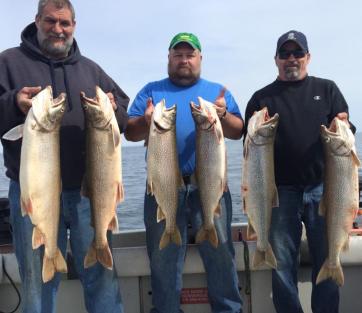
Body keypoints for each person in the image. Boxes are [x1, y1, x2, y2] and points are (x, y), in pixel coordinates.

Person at [0, 1, 129, 312]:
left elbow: (122, 114)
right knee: (39, 281)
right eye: (51, 22)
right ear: (37, 21)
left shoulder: (90, 69)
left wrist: (114, 108)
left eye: (65, 23)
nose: (58, 29)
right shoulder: (8, 62)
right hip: (34, 193)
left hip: (90, 192)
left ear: (74, 25)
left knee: (101, 276)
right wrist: (13, 101)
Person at [125, 32, 244, 313]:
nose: (184, 60)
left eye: (189, 54)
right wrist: (145, 120)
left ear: (200, 58)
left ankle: (229, 309)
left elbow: (238, 132)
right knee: (163, 257)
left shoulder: (217, 92)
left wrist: (224, 115)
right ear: (169, 58)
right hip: (162, 185)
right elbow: (130, 132)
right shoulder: (150, 90)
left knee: (220, 253)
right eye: (178, 55)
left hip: (210, 184)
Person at [244, 30, 355, 313]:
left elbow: (346, 128)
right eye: (285, 54)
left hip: (324, 187)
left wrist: (343, 124)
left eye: (297, 53)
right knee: (281, 263)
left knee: (328, 255)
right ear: (276, 59)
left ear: (308, 57)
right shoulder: (261, 98)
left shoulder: (328, 89)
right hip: (279, 192)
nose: (291, 59)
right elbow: (249, 142)